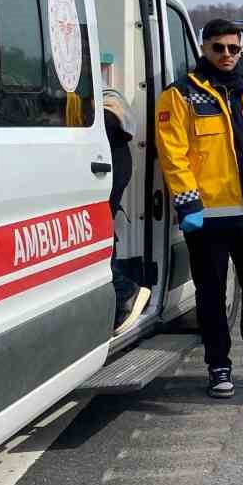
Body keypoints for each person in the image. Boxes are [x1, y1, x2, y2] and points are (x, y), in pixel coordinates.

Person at [156, 18, 243, 398]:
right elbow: (173, 154)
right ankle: (218, 364)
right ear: (204, 48)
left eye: (233, 48)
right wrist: (188, 203)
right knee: (212, 293)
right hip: (210, 214)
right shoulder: (180, 94)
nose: (227, 54)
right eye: (218, 47)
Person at [102, 90, 150, 333]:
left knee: (98, 240)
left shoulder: (105, 105)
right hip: (110, 172)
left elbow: (115, 117)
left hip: (109, 172)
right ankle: (123, 293)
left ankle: (125, 292)